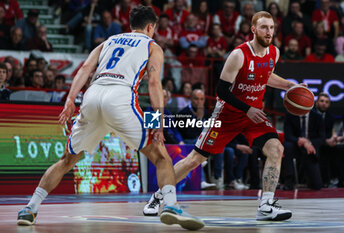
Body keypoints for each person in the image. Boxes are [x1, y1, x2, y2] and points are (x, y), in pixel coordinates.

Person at [17, 6, 204, 231]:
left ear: (130, 25)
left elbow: (85, 69)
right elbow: (154, 84)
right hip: (120, 96)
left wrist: (70, 100)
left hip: (92, 96)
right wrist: (158, 125)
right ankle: (171, 206)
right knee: (161, 156)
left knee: (67, 159)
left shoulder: (109, 40)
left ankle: (30, 208)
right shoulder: (152, 46)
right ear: (150, 27)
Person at [144, 11, 298, 221]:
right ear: (253, 30)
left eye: (271, 28)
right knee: (194, 159)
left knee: (276, 148)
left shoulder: (274, 53)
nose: (268, 32)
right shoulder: (239, 55)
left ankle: (266, 204)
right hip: (227, 115)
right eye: (264, 27)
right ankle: (158, 196)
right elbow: (222, 91)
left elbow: (266, 75)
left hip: (252, 116)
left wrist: (288, 84)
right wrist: (247, 109)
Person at [283, 107, 325, 190]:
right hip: (295, 144)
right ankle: (289, 180)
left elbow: (322, 138)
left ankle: (310, 180)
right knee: (287, 146)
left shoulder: (317, 117)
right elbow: (288, 135)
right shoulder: (290, 115)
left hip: (310, 148)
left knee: (317, 185)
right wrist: (301, 141)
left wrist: (308, 142)